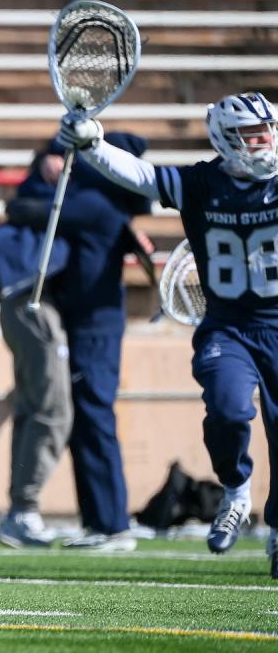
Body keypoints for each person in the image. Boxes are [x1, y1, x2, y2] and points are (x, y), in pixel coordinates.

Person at [56, 91, 278, 578]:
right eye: (250, 136)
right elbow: (141, 176)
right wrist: (92, 144)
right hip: (230, 326)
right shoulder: (202, 182)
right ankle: (236, 491)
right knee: (227, 409)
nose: (261, 144)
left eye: (265, 133)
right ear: (224, 138)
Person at [0, 135, 151, 551]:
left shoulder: (94, 205)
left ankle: (109, 523)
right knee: (68, 414)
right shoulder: (98, 203)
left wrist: (53, 166)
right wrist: (48, 162)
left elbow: (22, 208)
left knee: (87, 415)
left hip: (96, 325)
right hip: (74, 318)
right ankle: (96, 521)